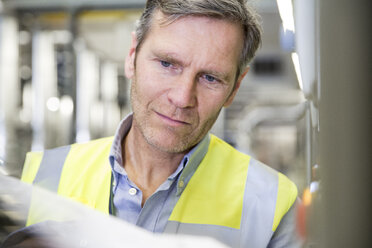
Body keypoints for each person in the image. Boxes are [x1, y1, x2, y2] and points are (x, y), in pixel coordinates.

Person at [20, 0, 301, 247]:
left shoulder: (273, 205)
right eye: (167, 64)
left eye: (210, 78)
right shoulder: (42, 175)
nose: (182, 98)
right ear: (132, 56)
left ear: (235, 89)